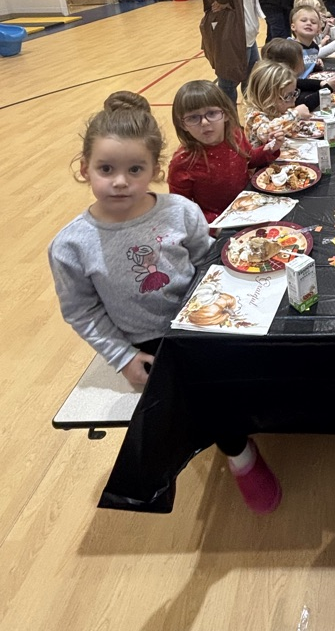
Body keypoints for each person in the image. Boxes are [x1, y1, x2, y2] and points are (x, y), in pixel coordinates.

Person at [48, 91, 281, 512]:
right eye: (106, 169)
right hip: (149, 341)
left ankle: (244, 422)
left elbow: (205, 262)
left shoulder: (181, 211)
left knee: (247, 370)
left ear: (154, 170)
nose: (121, 181)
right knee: (201, 397)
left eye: (135, 169)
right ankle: (238, 451)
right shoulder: (71, 246)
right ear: (84, 169)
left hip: (203, 320)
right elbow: (81, 311)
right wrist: (122, 356)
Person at [168, 81, 279, 223]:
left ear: (225, 114)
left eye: (211, 113)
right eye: (193, 117)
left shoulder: (235, 135)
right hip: (218, 224)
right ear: (183, 124)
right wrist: (215, 223)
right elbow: (182, 210)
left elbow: (249, 159)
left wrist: (271, 147)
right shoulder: (183, 162)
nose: (204, 122)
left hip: (251, 207)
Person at [244, 60, 311, 148]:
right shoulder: (254, 116)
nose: (294, 99)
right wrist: (295, 114)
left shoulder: (276, 110)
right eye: (288, 96)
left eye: (294, 93)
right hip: (263, 157)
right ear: (268, 97)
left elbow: (283, 129)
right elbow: (267, 133)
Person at [262, 37, 335, 113]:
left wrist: (321, 83)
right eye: (302, 58)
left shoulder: (283, 79)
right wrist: (328, 88)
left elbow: (300, 82)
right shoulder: (281, 87)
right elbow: (304, 105)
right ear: (291, 64)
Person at [289, 3, 335, 76]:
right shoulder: (290, 49)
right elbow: (293, 78)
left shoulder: (314, 48)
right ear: (293, 27)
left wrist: (315, 66)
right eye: (303, 20)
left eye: (313, 22)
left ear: (318, 30)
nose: (309, 23)